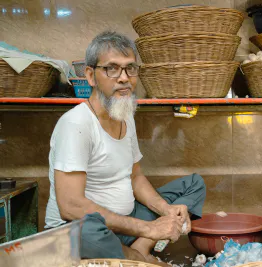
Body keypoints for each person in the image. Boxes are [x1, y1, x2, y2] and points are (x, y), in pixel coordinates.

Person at [44, 31, 206, 265]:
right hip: (84, 229)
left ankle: (136, 251)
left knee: (193, 184)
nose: (124, 78)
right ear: (90, 75)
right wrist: (149, 228)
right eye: (112, 68)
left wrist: (165, 211)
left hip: (124, 221)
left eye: (130, 68)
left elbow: (135, 177)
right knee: (85, 234)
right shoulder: (76, 124)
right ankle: (138, 258)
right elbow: (70, 206)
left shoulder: (123, 113)